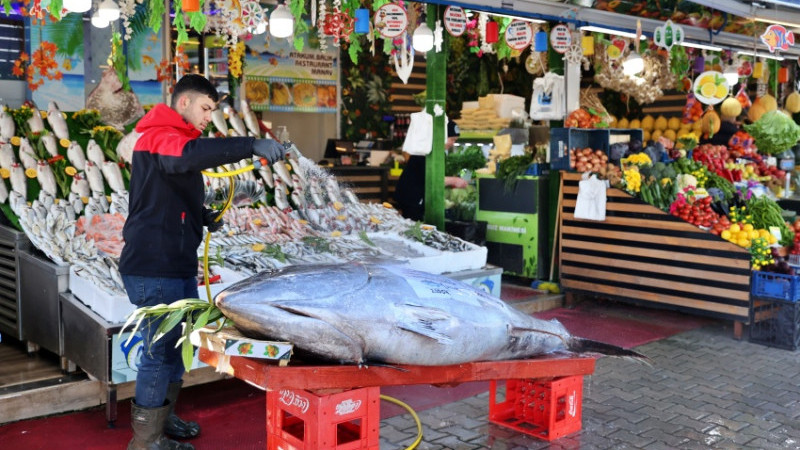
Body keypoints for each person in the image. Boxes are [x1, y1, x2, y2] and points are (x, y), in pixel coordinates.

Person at [119, 74, 285, 450]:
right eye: (206, 108)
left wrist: (200, 217)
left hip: (173, 263)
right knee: (160, 353)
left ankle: (162, 419)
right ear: (184, 103)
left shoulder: (175, 140)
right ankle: (146, 441)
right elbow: (187, 159)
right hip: (153, 266)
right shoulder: (159, 134)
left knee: (175, 347)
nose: (209, 116)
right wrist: (251, 144)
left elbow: (168, 192)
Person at [394, 121, 467, 221]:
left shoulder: (438, 152)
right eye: (452, 139)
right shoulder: (425, 152)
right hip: (412, 197)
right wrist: (454, 180)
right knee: (414, 225)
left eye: (455, 140)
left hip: (418, 197)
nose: (453, 143)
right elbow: (432, 178)